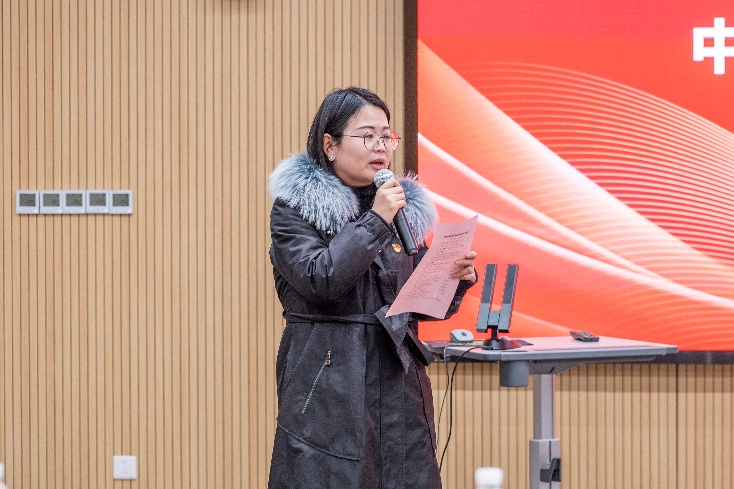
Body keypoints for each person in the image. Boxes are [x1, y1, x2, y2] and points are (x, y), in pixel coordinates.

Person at [267, 86, 477, 489]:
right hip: (330, 381)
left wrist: (453, 280)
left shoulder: (398, 209)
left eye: (387, 136)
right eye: (367, 136)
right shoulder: (296, 210)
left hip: (399, 383)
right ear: (329, 145)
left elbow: (415, 302)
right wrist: (376, 220)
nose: (381, 146)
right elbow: (321, 279)